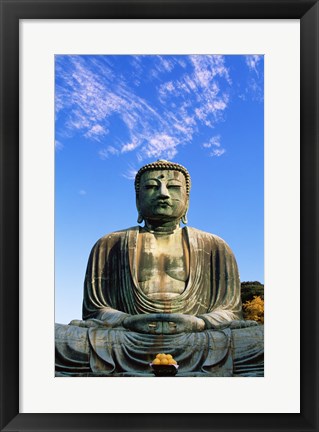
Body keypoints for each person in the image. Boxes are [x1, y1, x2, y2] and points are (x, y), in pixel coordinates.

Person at [55, 160, 263, 377]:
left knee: (269, 340)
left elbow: (230, 312)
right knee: (54, 338)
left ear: (187, 200)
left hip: (199, 340)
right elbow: (96, 309)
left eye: (173, 187)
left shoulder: (214, 246)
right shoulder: (109, 244)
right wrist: (126, 321)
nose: (163, 193)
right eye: (151, 187)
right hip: (126, 339)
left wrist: (200, 322)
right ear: (137, 200)